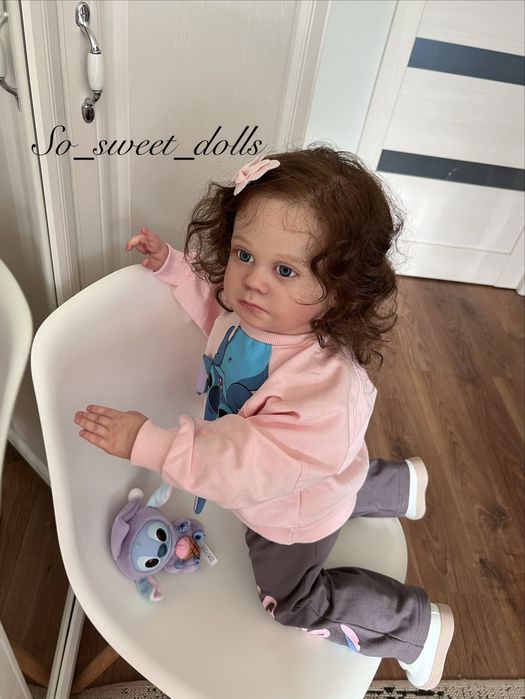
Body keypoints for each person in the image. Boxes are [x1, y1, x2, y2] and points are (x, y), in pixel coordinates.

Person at [73, 145, 454, 689]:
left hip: (288, 514)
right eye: (244, 254)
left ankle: (412, 628)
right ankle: (401, 486)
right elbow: (218, 317)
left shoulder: (320, 394)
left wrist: (151, 444)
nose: (254, 281)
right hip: (307, 472)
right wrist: (174, 267)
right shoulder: (263, 316)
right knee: (327, 475)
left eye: (285, 270)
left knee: (291, 601)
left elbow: (241, 465)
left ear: (339, 292)